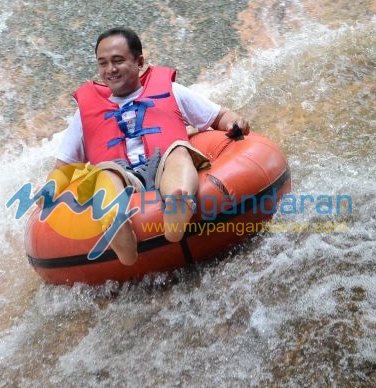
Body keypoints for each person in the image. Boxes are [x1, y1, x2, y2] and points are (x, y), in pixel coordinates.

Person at [53, 27, 250, 266]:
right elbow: (63, 167)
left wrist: (235, 122)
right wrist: (49, 195)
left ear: (139, 62)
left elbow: (219, 116)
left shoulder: (172, 92)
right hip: (121, 174)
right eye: (102, 63)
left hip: (163, 164)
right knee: (104, 174)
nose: (110, 70)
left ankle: (178, 202)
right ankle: (117, 224)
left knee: (179, 150)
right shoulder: (83, 115)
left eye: (118, 61)